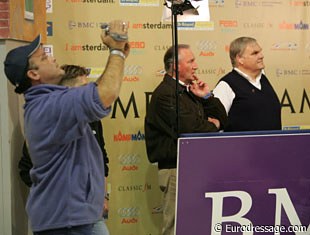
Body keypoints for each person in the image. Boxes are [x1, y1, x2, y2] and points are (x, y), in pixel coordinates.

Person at [4, 20, 129, 235]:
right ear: (33, 75)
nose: (53, 57)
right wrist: (115, 51)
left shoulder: (53, 101)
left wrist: (119, 55)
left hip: (76, 218)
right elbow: (105, 94)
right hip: (66, 223)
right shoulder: (49, 106)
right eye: (44, 58)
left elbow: (98, 94)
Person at [17, 64, 111, 235]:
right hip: (62, 218)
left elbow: (102, 160)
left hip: (89, 211)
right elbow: (26, 167)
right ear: (67, 92)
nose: (89, 93)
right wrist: (55, 192)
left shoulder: (92, 118)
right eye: (83, 88)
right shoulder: (48, 117)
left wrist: (103, 196)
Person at [144, 44, 227, 235]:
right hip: (176, 169)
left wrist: (206, 97)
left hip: (198, 166)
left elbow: (223, 120)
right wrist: (211, 125)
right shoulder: (165, 94)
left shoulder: (190, 91)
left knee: (198, 225)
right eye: (191, 61)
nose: (196, 66)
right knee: (176, 227)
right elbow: (191, 129)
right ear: (175, 66)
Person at [213, 36, 282, 131]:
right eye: (255, 53)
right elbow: (216, 125)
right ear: (240, 59)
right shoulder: (226, 85)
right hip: (240, 145)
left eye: (260, 51)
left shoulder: (263, 79)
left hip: (274, 144)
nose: (261, 56)